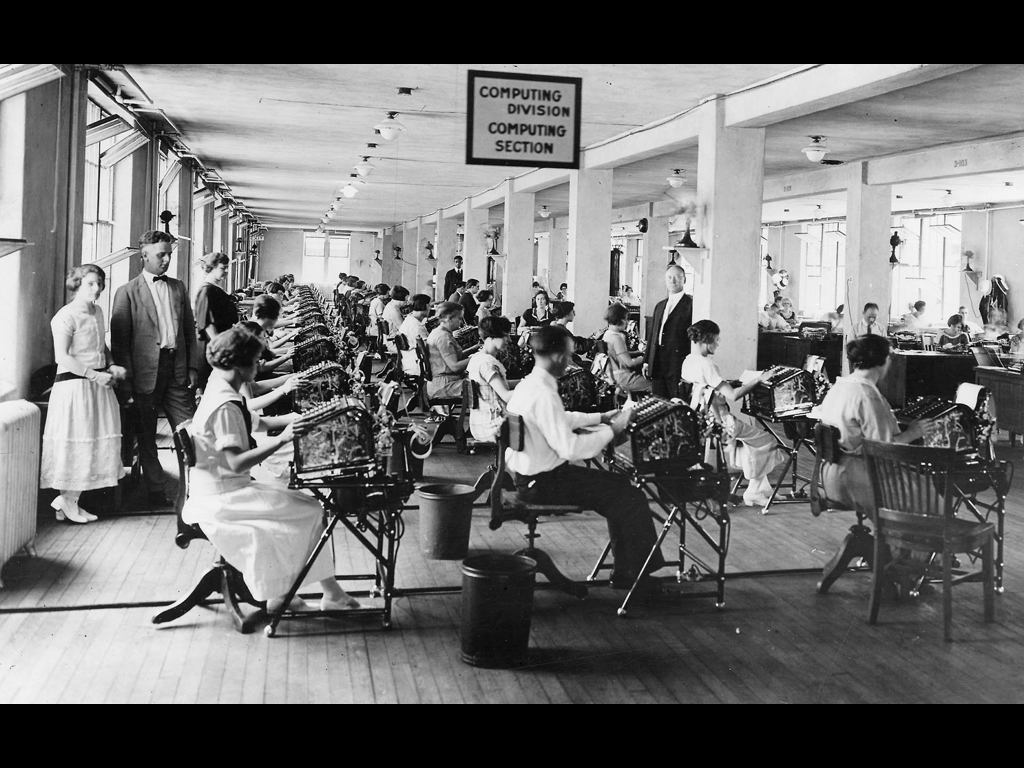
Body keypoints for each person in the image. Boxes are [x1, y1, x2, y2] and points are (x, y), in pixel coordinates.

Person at [181, 326, 363, 614]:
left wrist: (298, 419)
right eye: (254, 361)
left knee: (306, 507)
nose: (258, 366)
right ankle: (306, 594)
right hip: (222, 496)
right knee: (311, 509)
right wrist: (283, 438)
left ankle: (307, 593)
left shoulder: (224, 391)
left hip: (226, 487)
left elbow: (257, 424)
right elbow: (237, 462)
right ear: (239, 364)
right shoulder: (225, 406)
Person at [505, 325, 665, 590]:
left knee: (621, 490)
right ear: (558, 356)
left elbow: (558, 419)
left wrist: (600, 418)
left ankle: (628, 570)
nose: (570, 361)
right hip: (544, 483)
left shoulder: (528, 385)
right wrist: (614, 429)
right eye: (569, 356)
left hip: (529, 478)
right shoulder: (544, 393)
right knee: (629, 494)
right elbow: (570, 449)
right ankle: (637, 577)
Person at [110, 230, 198, 507]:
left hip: (177, 369)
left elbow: (188, 331)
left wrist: (193, 366)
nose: (167, 259)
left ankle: (193, 489)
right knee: (146, 435)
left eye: (169, 254)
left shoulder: (178, 287)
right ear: (144, 256)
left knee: (190, 431)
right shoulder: (125, 293)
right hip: (144, 374)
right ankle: (156, 489)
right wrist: (127, 380)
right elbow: (120, 342)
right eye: (161, 254)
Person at [41, 264, 127, 524]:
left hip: (98, 387)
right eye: (90, 283)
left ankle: (68, 503)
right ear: (76, 284)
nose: (97, 288)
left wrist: (110, 365)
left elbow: (101, 345)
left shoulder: (98, 311)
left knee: (92, 443)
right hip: (75, 388)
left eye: (100, 283)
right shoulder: (64, 317)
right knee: (77, 443)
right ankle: (67, 501)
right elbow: (63, 357)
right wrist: (95, 375)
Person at [811, 334, 931, 517]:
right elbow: (884, 449)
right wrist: (914, 432)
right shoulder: (867, 394)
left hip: (830, 476)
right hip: (857, 479)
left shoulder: (840, 386)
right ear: (883, 361)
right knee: (928, 491)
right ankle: (902, 539)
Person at [679, 320, 782, 507]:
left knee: (751, 443)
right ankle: (753, 492)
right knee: (768, 441)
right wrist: (758, 380)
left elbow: (707, 388)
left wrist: (729, 383)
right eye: (717, 340)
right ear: (707, 339)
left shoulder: (688, 361)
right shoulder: (706, 364)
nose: (718, 344)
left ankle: (762, 488)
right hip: (721, 422)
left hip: (702, 419)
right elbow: (733, 396)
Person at [643, 264, 693, 401]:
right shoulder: (660, 306)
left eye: (677, 277)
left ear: (684, 280)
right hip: (658, 363)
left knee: (677, 403)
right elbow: (652, 335)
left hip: (677, 364)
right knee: (659, 402)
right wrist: (647, 361)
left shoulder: (691, 306)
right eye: (669, 277)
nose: (673, 280)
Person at [193, 252, 238, 390]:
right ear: (211, 268)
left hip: (219, 342)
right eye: (222, 268)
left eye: (226, 268)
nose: (225, 272)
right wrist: (220, 350)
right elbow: (207, 324)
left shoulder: (215, 288)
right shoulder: (207, 291)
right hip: (211, 345)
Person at [466, 315, 516, 442]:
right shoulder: (488, 363)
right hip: (494, 426)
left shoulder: (477, 357)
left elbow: (497, 386)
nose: (509, 340)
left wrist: (525, 382)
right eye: (505, 335)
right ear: (492, 337)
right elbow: (506, 395)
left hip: (480, 423)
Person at [425, 301, 475, 401]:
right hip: (445, 385)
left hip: (442, 382)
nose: (461, 322)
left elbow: (454, 356)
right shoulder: (444, 338)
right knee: (483, 384)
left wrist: (475, 348)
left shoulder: (439, 332)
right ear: (450, 319)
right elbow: (455, 366)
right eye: (460, 318)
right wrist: (476, 358)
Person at [602, 303, 649, 393]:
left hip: (613, 375)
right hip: (623, 378)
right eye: (626, 319)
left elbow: (619, 354)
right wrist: (646, 358)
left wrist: (639, 352)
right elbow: (629, 363)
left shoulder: (608, 334)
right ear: (618, 319)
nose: (627, 322)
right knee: (656, 386)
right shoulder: (616, 338)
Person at [398, 293, 431, 377]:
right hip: (418, 364)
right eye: (429, 305)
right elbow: (429, 347)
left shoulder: (409, 320)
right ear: (425, 306)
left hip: (408, 360)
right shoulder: (416, 325)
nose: (430, 308)